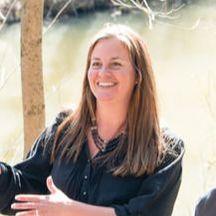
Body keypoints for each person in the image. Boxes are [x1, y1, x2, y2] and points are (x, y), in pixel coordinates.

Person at [0, 24, 184, 216]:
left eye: (116, 64)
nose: (103, 73)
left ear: (138, 75)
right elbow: (23, 194)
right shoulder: (64, 128)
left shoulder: (165, 148)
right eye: (96, 63)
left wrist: (70, 210)